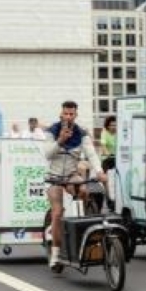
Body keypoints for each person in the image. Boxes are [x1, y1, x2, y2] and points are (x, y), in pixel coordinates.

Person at [43, 101, 103, 269]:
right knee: (57, 213)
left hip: (71, 174)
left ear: (75, 115)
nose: (68, 117)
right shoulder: (51, 131)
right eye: (66, 114)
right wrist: (60, 140)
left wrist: (99, 171)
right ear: (61, 114)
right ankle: (55, 254)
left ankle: (81, 221)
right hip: (54, 176)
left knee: (83, 188)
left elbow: (91, 153)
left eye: (72, 114)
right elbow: (47, 154)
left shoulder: (81, 133)